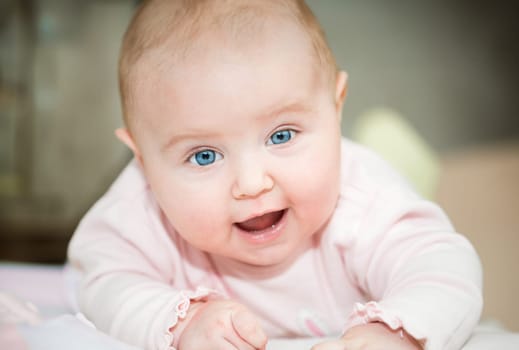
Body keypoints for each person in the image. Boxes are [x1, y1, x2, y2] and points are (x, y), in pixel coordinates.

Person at [67, 1, 483, 349]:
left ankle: (402, 155)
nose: (251, 184)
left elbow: (443, 268)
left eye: (282, 135)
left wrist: (395, 332)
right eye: (204, 156)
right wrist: (181, 322)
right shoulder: (142, 209)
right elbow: (100, 282)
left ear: (336, 108)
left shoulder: (362, 201)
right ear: (143, 160)